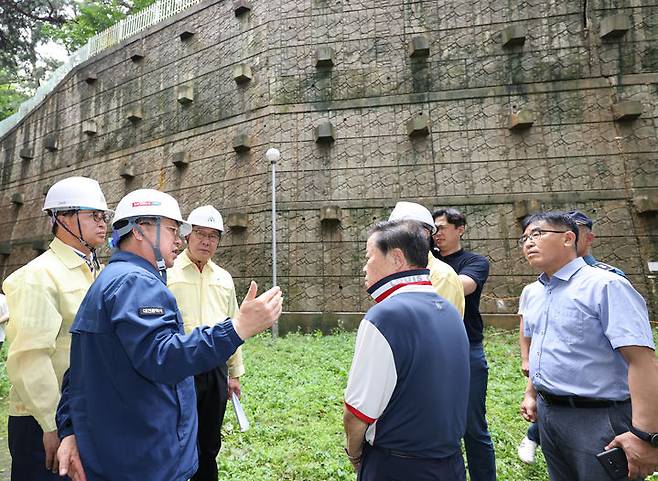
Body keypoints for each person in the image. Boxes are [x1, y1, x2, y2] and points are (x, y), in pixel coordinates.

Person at [54, 189, 283, 481]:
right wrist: (238, 329)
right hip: (144, 457)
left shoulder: (111, 279)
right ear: (139, 231)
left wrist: (70, 428)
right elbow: (162, 356)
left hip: (120, 446)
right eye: (173, 229)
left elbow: (79, 369)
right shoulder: (137, 284)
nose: (179, 240)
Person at [518, 211, 658, 481]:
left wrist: (645, 435)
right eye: (524, 238)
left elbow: (642, 362)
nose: (528, 243)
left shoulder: (606, 286)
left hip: (598, 418)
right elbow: (542, 348)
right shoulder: (534, 292)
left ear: (569, 238)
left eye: (537, 234)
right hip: (549, 415)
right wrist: (532, 394)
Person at [343, 220, 470, 481]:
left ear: (397, 259)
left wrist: (356, 456)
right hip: (450, 464)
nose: (364, 267)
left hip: (398, 466)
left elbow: (357, 413)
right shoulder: (449, 310)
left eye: (369, 257)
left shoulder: (384, 316)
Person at [2, 176, 110, 480]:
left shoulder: (98, 273)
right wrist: (53, 426)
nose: (102, 223)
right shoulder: (39, 276)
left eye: (103, 216)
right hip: (42, 420)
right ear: (62, 218)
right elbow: (29, 358)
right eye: (93, 215)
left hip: (85, 416)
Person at [167, 205, 245, 481]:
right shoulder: (169, 271)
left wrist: (234, 373)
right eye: (200, 233)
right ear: (187, 235)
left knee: (209, 442)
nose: (206, 241)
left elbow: (234, 325)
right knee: (175, 437)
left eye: (213, 236)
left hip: (214, 369)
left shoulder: (223, 278)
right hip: (178, 367)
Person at [433, 208, 496, 481]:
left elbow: (461, 286)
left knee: (473, 427)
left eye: (443, 228)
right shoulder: (428, 260)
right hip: (431, 348)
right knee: (436, 422)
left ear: (460, 229)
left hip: (466, 347)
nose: (437, 234)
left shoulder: (475, 261)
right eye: (433, 229)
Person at [388, 201, 465, 317]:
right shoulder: (395, 271)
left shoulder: (441, 276)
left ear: (424, 233)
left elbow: (434, 326)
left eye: (400, 230)